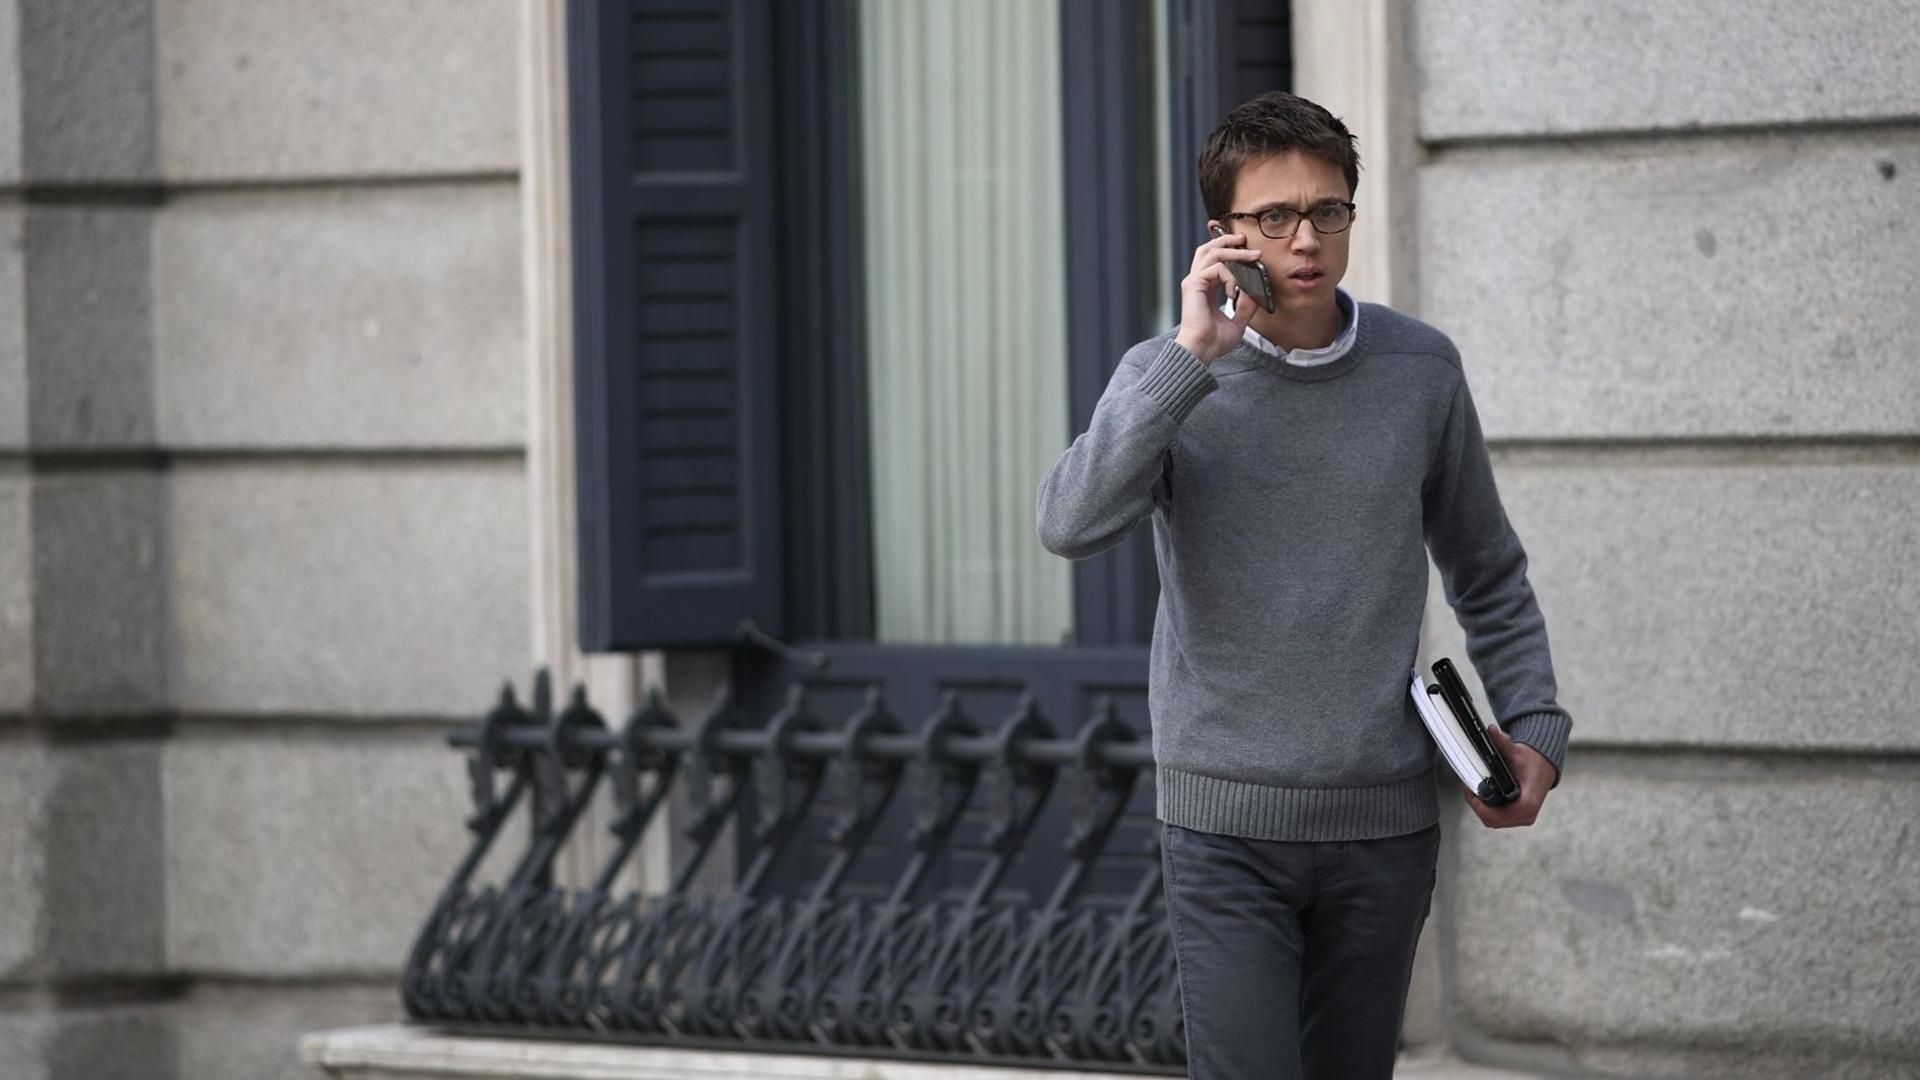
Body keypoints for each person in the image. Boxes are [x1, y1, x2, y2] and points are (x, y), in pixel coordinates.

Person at [1033, 91, 1572, 1079]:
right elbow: (1069, 523)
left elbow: (1485, 567)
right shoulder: (1170, 379)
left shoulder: (1421, 370)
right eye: (1273, 216)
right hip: (1223, 829)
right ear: (1224, 237)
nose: (1306, 238)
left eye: (1328, 209)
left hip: (1384, 825)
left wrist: (1534, 724)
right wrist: (1193, 356)